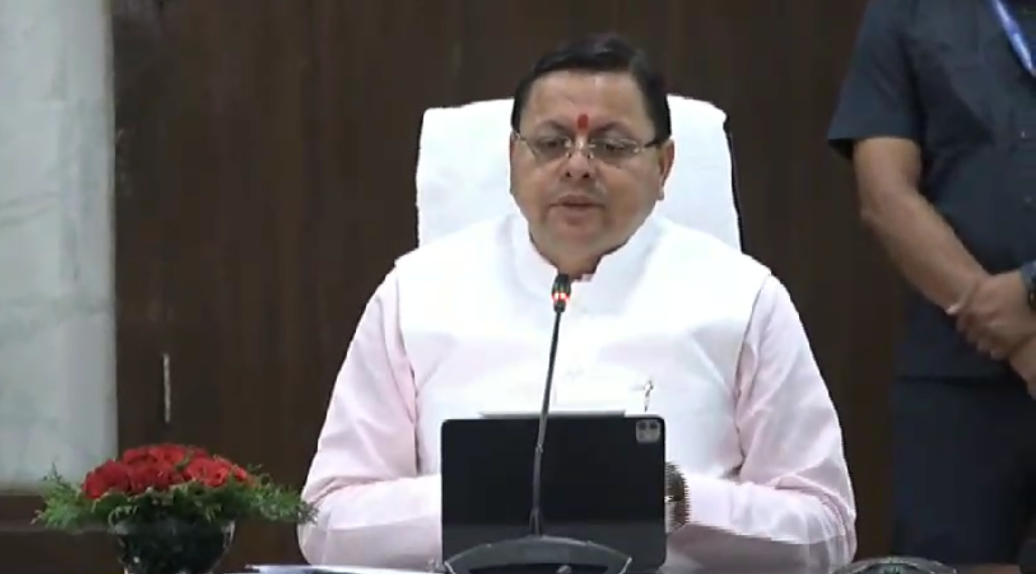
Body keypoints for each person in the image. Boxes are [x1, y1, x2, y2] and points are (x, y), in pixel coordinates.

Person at [299, 33, 857, 571]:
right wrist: (480, 495)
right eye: (551, 143)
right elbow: (324, 521)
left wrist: (678, 499)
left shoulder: (743, 299)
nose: (578, 166)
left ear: (664, 166)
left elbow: (828, 525)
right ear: (513, 158)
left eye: (611, 147)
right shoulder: (416, 295)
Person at [827, 0, 1036, 569]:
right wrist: (1012, 331)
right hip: (957, 372)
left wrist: (1030, 291)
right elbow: (885, 195)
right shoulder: (907, 10)